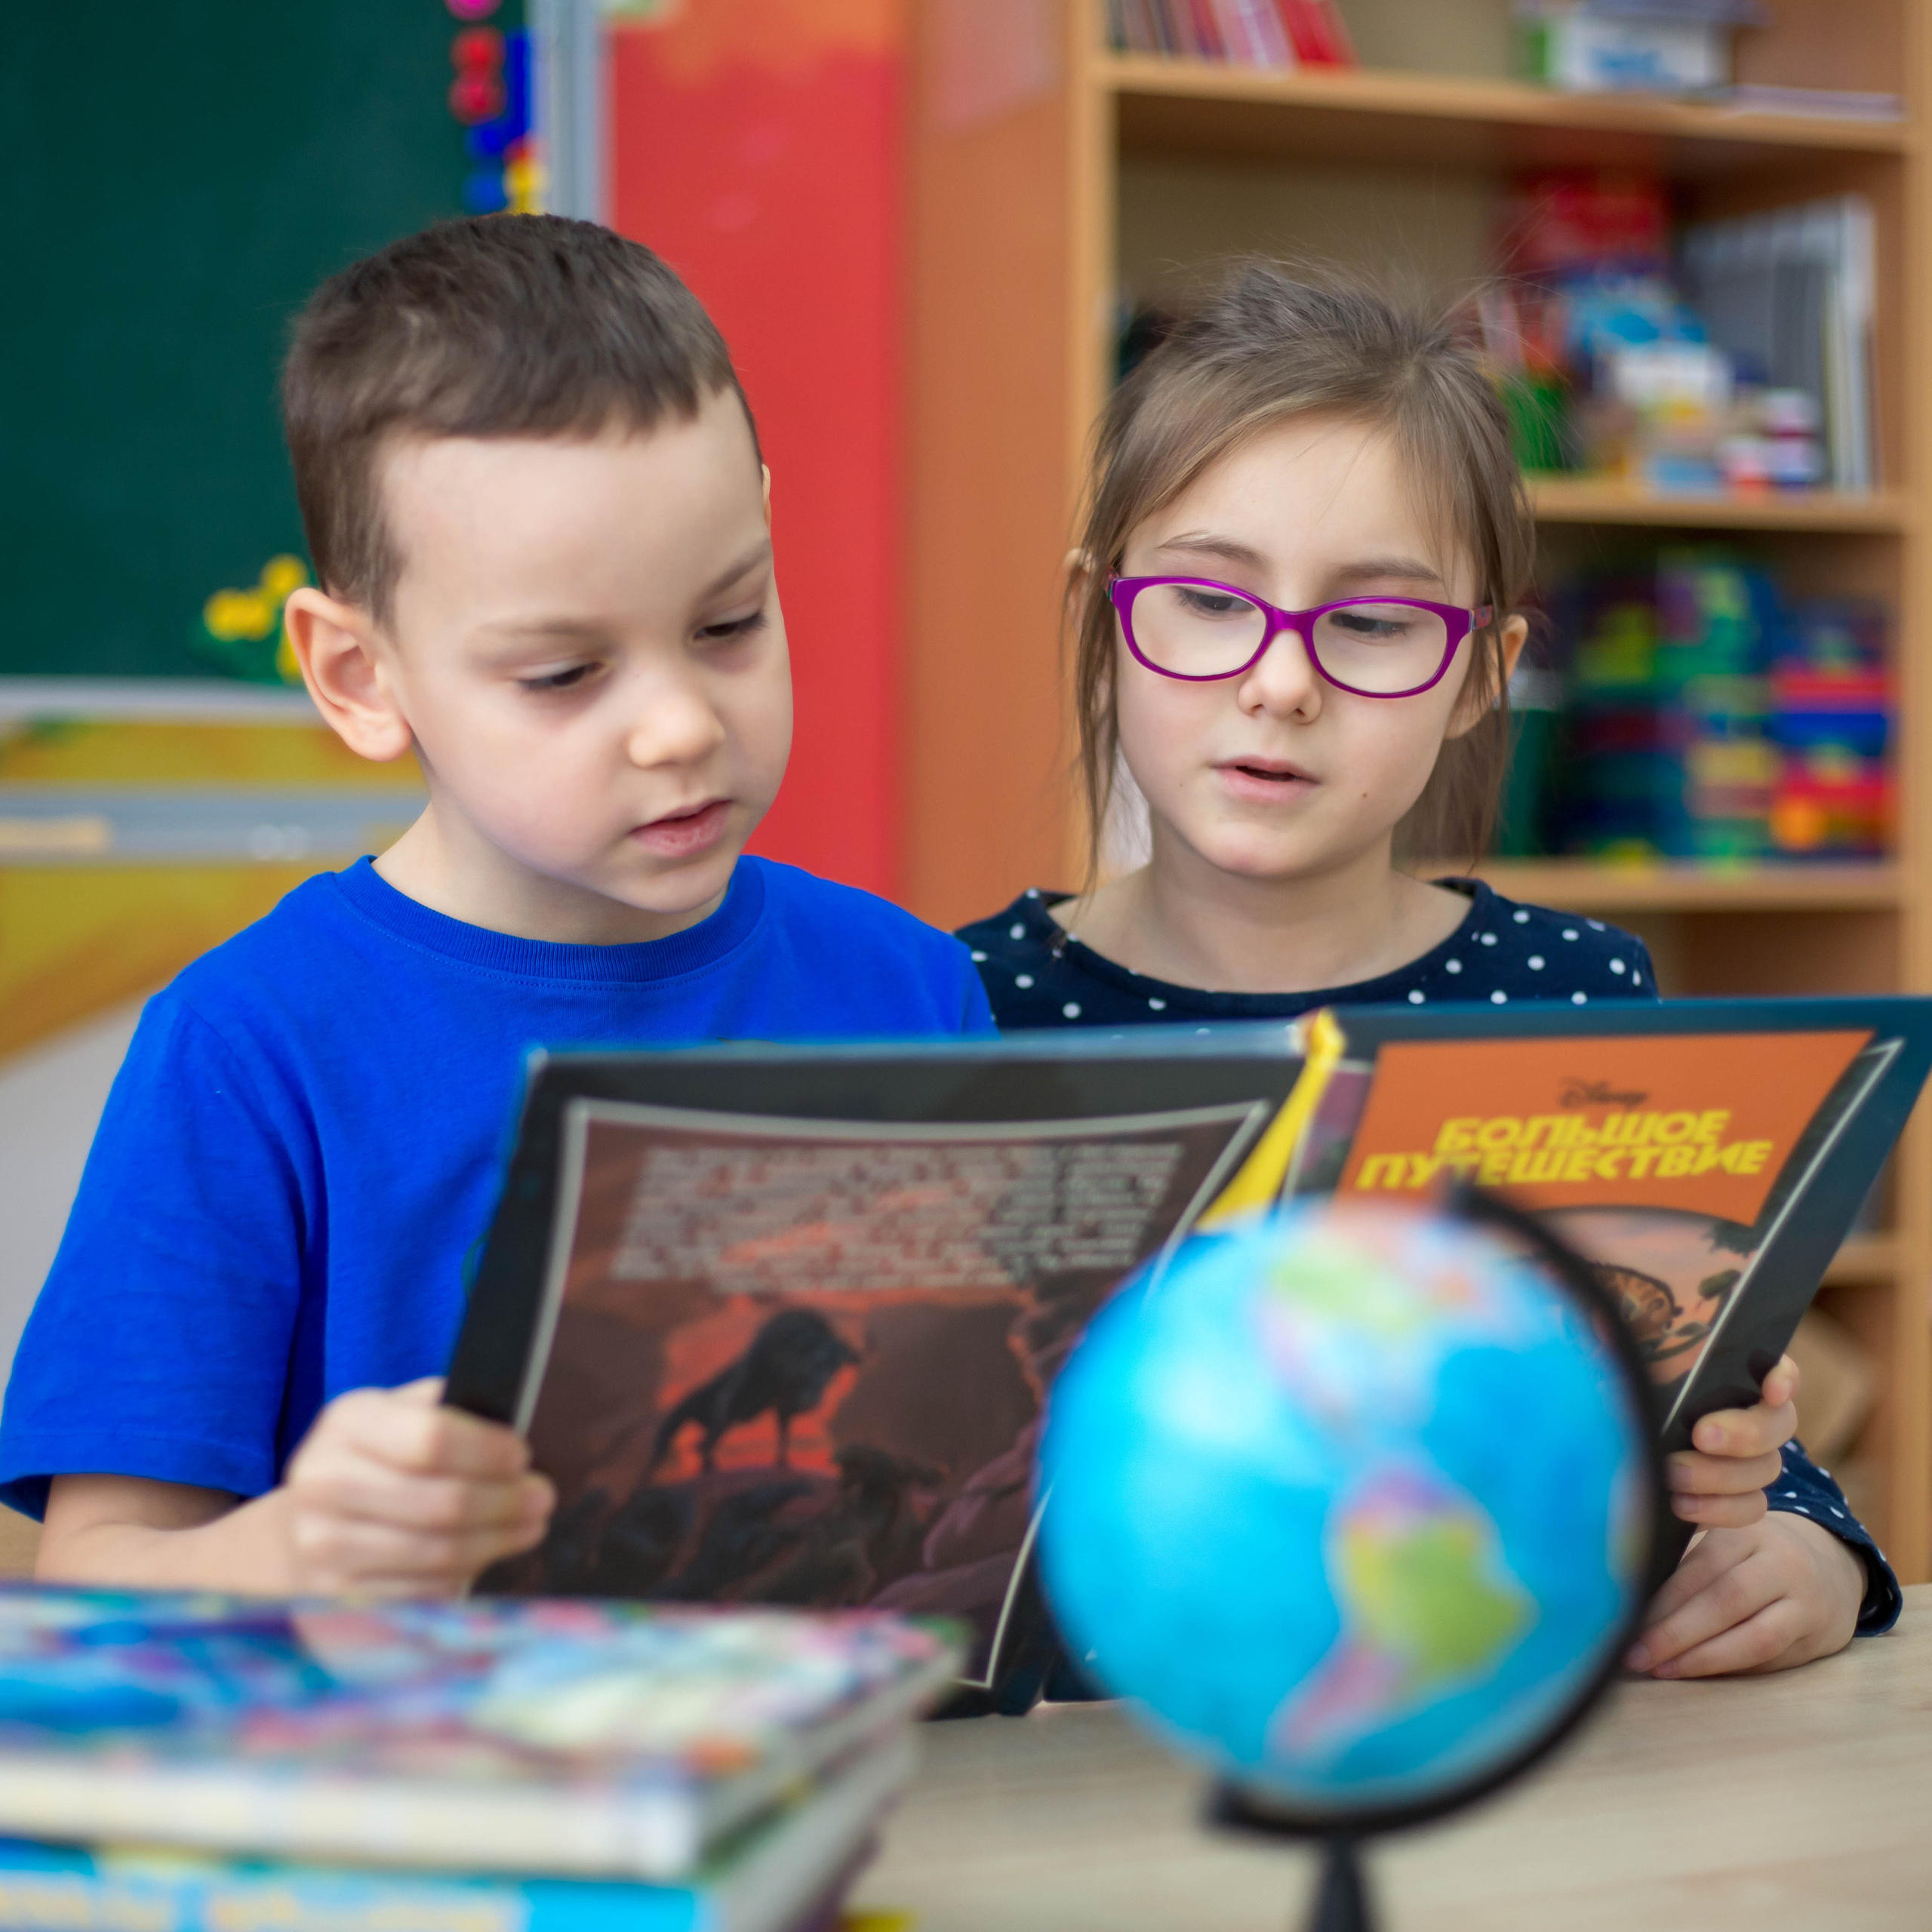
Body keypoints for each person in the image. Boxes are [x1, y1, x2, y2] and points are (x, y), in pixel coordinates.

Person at [0, 216, 992, 1597]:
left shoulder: (916, 991)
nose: (677, 728)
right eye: (563, 674)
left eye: (728, 623)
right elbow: (89, 1578)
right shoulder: (250, 1046)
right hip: (422, 1796)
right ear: (357, 676)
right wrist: (296, 1546)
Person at [958, 264, 1897, 1678]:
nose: (1281, 680)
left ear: (1481, 675)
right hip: (1074, 1774)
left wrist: (1813, 1546)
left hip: (1466, 1738)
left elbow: (1709, 1426)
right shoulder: (961, 1004)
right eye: (1211, 601)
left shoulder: (1573, 995)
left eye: (1376, 623)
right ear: (1103, 622)